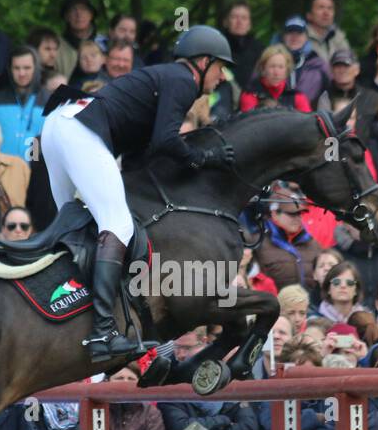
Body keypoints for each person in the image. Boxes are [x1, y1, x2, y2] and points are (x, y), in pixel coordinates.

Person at [39, 24, 233, 361]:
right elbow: (167, 140)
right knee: (119, 226)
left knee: (70, 225)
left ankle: (59, 306)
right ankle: (102, 332)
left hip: (58, 124)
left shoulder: (164, 79)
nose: (222, 78)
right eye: (219, 67)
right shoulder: (182, 80)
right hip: (79, 129)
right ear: (202, 62)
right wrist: (206, 157)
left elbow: (143, 155)